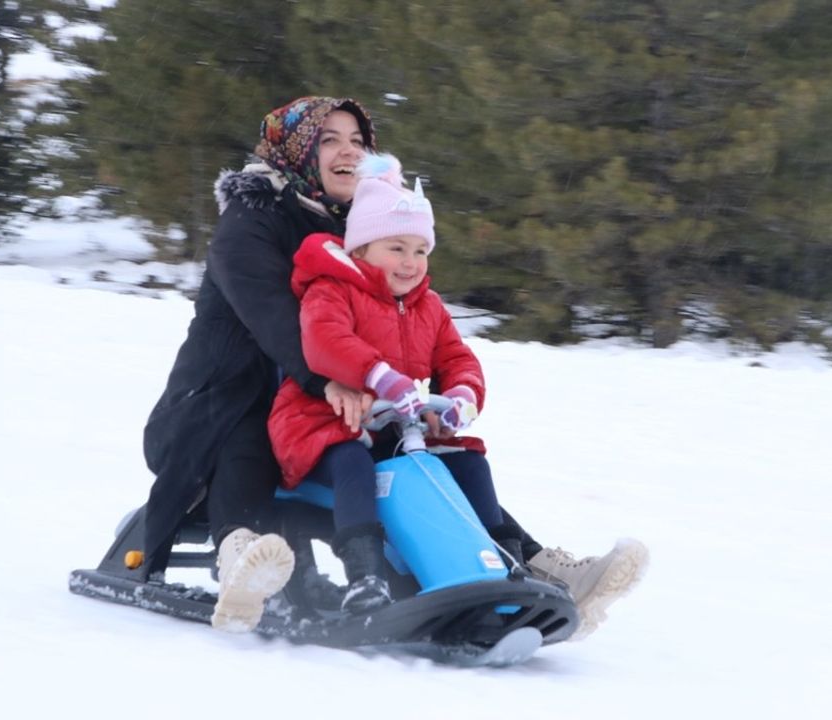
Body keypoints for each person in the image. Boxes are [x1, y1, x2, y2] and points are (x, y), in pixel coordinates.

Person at [140, 96, 647, 636]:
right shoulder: (250, 223)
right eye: (329, 139)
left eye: (358, 141)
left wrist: (432, 399)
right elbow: (277, 320)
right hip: (224, 401)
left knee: (427, 464)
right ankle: (242, 556)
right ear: (298, 150)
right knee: (253, 435)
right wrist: (336, 378)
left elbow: (419, 329)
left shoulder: (364, 230)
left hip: (340, 401)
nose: (347, 152)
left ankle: (529, 563)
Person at [267, 151, 524, 613]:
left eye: (420, 250)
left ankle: (508, 569)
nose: (411, 263)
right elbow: (325, 341)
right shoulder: (333, 289)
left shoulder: (428, 306)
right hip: (316, 425)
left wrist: (461, 398)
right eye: (396, 249)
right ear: (361, 249)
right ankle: (366, 578)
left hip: (394, 431)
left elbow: (456, 357)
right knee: (352, 463)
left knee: (467, 463)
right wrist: (381, 377)